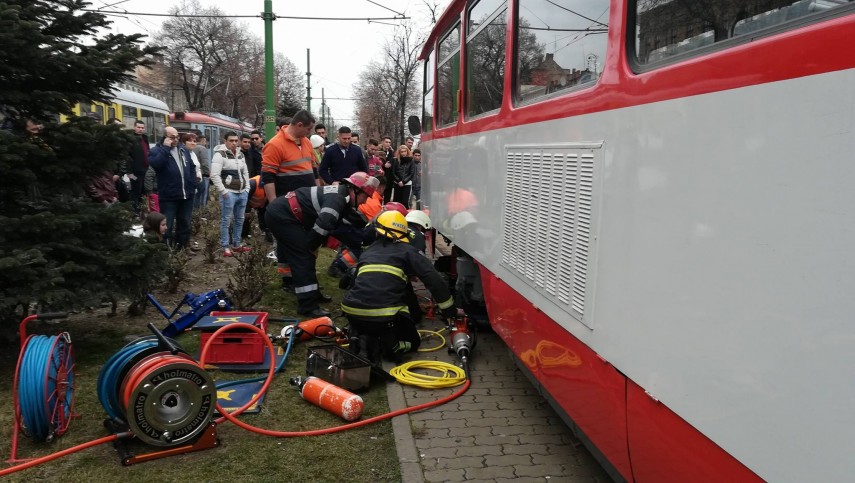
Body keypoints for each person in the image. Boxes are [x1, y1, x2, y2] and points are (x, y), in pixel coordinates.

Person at [342, 211, 456, 363]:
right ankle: (386, 346)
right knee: (413, 342)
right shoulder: (408, 251)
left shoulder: (368, 252)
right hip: (384, 317)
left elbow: (355, 282)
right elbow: (435, 280)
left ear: (377, 231)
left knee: (369, 323)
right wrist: (449, 312)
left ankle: (362, 337)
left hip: (352, 312)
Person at [264, 172, 379, 317]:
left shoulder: (341, 196)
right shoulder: (338, 199)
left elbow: (340, 226)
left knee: (303, 254)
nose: (364, 202)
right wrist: (311, 247)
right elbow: (323, 226)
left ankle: (306, 289)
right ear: (355, 189)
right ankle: (308, 305)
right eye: (365, 197)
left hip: (284, 213)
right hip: (282, 216)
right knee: (303, 257)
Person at [261, 111, 318, 288]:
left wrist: (318, 193)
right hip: (287, 203)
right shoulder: (275, 144)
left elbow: (314, 170)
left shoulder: (306, 142)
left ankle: (304, 276)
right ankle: (288, 279)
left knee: (307, 240)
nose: (310, 133)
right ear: (299, 125)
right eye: (308, 129)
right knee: (287, 242)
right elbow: (268, 177)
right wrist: (274, 204)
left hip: (307, 202)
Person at [148, 126, 196, 249]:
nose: (175, 139)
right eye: (172, 137)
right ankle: (166, 250)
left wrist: (192, 184)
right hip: (169, 196)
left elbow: (191, 167)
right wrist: (166, 148)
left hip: (186, 194)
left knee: (184, 224)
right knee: (166, 225)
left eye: (177, 137)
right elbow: (157, 164)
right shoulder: (156, 150)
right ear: (165, 137)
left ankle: (182, 249)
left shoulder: (183, 150)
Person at [211, 131, 251, 256]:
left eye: (235, 140)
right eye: (231, 141)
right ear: (225, 141)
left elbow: (245, 172)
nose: (234, 143)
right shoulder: (220, 155)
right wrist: (223, 191)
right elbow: (214, 175)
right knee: (226, 220)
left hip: (242, 192)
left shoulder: (240, 155)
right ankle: (225, 246)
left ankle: (236, 244)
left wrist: (247, 188)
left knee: (240, 219)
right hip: (229, 193)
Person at [127, 119, 150, 216]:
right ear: (134, 127)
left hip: (145, 170)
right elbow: (127, 157)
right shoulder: (130, 139)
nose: (140, 129)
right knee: (135, 191)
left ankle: (142, 211)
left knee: (143, 191)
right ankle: (134, 212)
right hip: (134, 172)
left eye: (142, 128)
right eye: (138, 127)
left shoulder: (145, 138)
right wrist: (129, 172)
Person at [193, 133, 211, 209]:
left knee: (195, 194)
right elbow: (205, 163)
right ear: (203, 140)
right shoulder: (202, 149)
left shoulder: (190, 147)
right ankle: (201, 210)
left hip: (192, 174)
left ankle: (194, 210)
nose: (205, 143)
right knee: (203, 194)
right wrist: (209, 173)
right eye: (205, 141)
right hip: (202, 175)